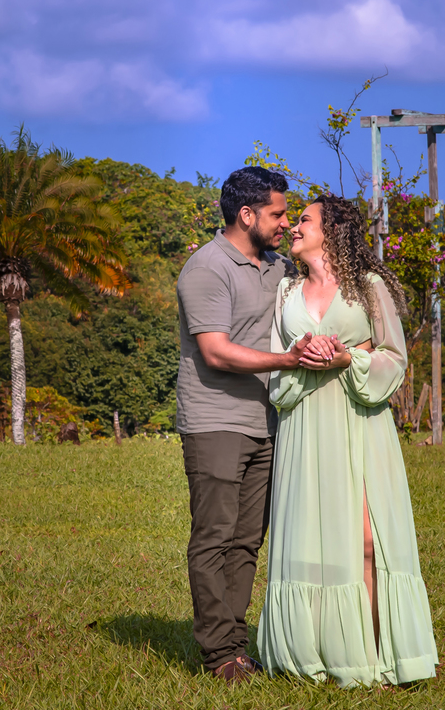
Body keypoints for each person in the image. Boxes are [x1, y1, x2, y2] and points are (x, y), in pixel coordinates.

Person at [257, 194, 438, 687]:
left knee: (363, 537)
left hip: (357, 423)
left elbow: (394, 359)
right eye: (295, 221)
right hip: (302, 425)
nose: (294, 228)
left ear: (332, 231)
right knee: (306, 541)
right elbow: (276, 365)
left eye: (304, 220)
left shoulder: (368, 287)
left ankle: (378, 655)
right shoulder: (286, 293)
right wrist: (297, 354)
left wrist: (348, 360)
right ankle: (310, 653)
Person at [175, 166, 314, 684]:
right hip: (214, 421)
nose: (285, 224)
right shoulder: (207, 268)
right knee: (214, 537)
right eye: (278, 214)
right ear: (247, 214)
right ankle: (218, 654)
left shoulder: (276, 265)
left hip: (265, 420)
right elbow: (214, 352)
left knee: (247, 540)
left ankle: (236, 643)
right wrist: (290, 362)